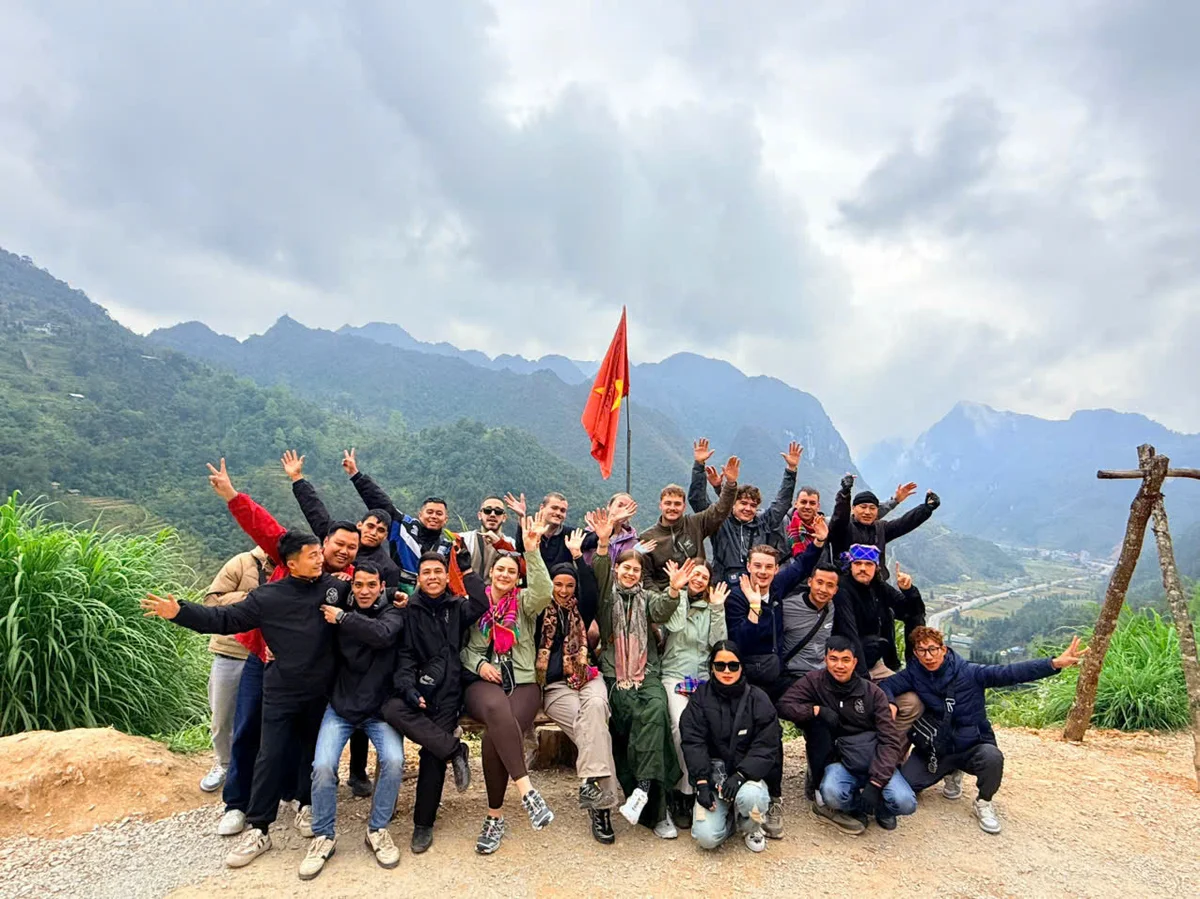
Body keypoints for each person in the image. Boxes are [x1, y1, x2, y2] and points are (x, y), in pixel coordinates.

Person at [140, 529, 350, 871]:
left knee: (311, 752)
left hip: (322, 690)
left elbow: (366, 604)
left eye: (318, 554)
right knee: (270, 754)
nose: (320, 559)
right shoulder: (268, 597)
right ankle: (260, 827)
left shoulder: (333, 588)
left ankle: (306, 804)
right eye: (313, 555)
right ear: (292, 563)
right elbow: (224, 619)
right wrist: (179, 612)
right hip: (281, 690)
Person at [203, 459, 357, 841]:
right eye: (338, 544)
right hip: (263, 659)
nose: (343, 552)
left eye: (351, 548)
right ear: (323, 543)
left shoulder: (344, 581)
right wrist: (231, 495)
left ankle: (300, 800)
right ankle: (237, 804)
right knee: (248, 731)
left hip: (310, 673)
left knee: (304, 737)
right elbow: (261, 522)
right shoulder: (292, 553)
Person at [881, 627, 1087, 835]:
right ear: (915, 653)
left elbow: (1010, 673)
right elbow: (886, 684)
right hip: (937, 749)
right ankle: (950, 772)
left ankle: (984, 801)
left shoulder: (971, 672)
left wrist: (1053, 664)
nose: (928, 656)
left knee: (992, 758)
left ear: (944, 649)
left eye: (933, 649)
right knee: (907, 785)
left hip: (972, 744)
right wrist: (890, 702)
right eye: (922, 651)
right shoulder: (914, 675)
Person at [282, 449, 394, 796]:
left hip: (361, 643)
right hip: (326, 642)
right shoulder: (344, 547)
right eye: (369, 526)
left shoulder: (386, 567)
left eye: (381, 528)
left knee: (361, 710)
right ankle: (303, 781)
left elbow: (389, 599)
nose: (374, 531)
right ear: (360, 527)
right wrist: (298, 480)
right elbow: (317, 515)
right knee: (325, 712)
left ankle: (357, 772)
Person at [301, 563, 406, 880]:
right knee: (322, 766)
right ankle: (323, 836)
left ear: (381, 586)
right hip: (342, 706)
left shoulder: (393, 613)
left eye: (370, 585)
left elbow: (382, 635)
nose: (363, 590)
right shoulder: (337, 609)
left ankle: (377, 829)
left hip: (379, 709)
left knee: (394, 760)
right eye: (358, 584)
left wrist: (343, 617)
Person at [380, 546, 485, 855]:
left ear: (445, 575)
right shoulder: (408, 610)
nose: (433, 576)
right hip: (419, 689)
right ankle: (455, 748)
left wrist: (467, 572)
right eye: (427, 572)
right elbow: (406, 656)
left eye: (438, 571)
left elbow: (480, 602)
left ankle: (423, 823)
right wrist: (409, 689)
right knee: (390, 707)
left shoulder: (456, 607)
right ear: (419, 578)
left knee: (430, 755)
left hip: (448, 692)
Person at [461, 516, 556, 855]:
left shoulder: (524, 603)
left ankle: (495, 816)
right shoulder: (475, 603)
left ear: (517, 579)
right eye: (500, 570)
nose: (504, 575)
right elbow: (463, 649)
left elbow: (545, 591)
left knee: (495, 735)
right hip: (482, 681)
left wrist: (531, 551)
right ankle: (528, 791)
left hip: (523, 683)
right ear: (491, 573)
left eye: (511, 572)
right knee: (499, 713)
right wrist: (480, 663)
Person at [589, 508, 686, 837]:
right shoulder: (606, 601)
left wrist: (673, 589)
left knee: (657, 712)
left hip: (648, 675)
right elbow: (599, 573)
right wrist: (603, 544)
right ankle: (650, 802)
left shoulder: (648, 598)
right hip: (616, 678)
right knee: (633, 725)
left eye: (635, 569)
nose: (630, 573)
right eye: (625, 568)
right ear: (617, 570)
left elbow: (662, 608)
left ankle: (648, 798)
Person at [722, 536, 824, 839]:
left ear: (775, 568)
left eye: (769, 567)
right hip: (747, 678)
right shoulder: (737, 596)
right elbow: (741, 641)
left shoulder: (778, 587)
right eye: (758, 566)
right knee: (768, 730)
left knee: (820, 713)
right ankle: (764, 796)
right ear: (748, 567)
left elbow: (804, 564)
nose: (764, 572)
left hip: (777, 675)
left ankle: (812, 784)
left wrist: (818, 542)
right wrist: (755, 606)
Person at [777, 637, 916, 835]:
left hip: (872, 756)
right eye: (834, 659)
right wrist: (816, 710)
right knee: (832, 794)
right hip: (840, 759)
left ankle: (881, 808)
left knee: (905, 802)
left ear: (855, 662)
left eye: (845, 660)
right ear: (825, 659)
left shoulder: (873, 693)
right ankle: (854, 807)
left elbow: (889, 740)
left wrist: (875, 785)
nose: (839, 665)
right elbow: (784, 706)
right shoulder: (814, 681)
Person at [535, 529, 621, 844]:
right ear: (550, 585)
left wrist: (575, 559)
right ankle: (602, 807)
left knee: (597, 709)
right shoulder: (537, 613)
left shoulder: (580, 610)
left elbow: (591, 588)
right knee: (594, 728)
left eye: (569, 585)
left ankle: (592, 788)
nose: (564, 590)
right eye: (558, 584)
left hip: (587, 676)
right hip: (556, 687)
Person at [680, 641, 781, 853]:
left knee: (752, 798)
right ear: (711, 668)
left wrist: (742, 775)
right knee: (706, 838)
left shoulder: (758, 699)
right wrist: (701, 783)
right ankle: (730, 823)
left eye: (733, 665)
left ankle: (751, 825)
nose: (727, 671)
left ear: (742, 666)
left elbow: (766, 746)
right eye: (720, 665)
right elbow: (693, 741)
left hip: (746, 779)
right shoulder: (700, 698)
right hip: (713, 779)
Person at [659, 560, 729, 834]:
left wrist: (717, 608)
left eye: (704, 576)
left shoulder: (710, 606)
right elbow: (674, 627)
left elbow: (717, 644)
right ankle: (681, 793)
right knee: (680, 726)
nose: (699, 579)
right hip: (674, 674)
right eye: (695, 574)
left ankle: (704, 785)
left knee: (709, 729)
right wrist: (678, 592)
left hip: (703, 678)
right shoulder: (674, 599)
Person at [198, 545, 273, 795]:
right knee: (222, 717)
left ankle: (254, 771)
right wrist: (253, 597)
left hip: (267, 656)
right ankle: (224, 764)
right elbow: (211, 601)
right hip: (230, 651)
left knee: (260, 718)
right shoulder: (240, 563)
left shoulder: (287, 568)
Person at [831, 545, 926, 732]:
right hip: (850, 666)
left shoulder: (878, 587)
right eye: (858, 563)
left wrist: (909, 590)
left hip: (876, 664)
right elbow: (849, 634)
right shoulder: (843, 589)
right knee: (865, 708)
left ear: (876, 567)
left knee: (913, 703)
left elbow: (911, 612)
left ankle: (890, 753)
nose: (863, 568)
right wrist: (863, 683)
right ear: (851, 565)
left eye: (868, 564)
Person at [342, 448, 456, 593]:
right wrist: (356, 475)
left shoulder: (447, 547)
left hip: (431, 600)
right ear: (420, 515)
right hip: (398, 593)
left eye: (439, 513)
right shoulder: (404, 527)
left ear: (445, 519)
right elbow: (381, 502)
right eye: (430, 512)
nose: (433, 516)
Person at [689, 438, 801, 584]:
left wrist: (791, 470)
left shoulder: (763, 523)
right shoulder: (720, 522)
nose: (748, 508)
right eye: (743, 503)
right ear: (733, 504)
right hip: (723, 584)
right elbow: (697, 500)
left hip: (756, 583)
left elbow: (782, 503)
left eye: (753, 505)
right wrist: (699, 466)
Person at [639, 456, 740, 590]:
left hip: (696, 592)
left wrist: (730, 484)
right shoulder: (647, 537)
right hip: (666, 596)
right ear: (660, 506)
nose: (672, 508)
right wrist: (660, 600)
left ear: (684, 507)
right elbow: (646, 576)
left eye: (677, 504)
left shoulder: (695, 523)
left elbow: (721, 510)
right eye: (668, 503)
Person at [828, 474, 934, 578]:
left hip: (876, 584)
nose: (867, 512)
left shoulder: (881, 528)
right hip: (846, 584)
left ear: (877, 511)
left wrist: (927, 508)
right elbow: (840, 515)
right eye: (863, 507)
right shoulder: (843, 528)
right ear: (853, 508)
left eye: (872, 508)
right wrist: (845, 493)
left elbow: (905, 523)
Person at [505, 491, 603, 570]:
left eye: (562, 510)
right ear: (542, 508)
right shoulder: (531, 533)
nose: (558, 513)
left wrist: (605, 530)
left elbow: (594, 539)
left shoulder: (570, 535)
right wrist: (521, 517)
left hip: (562, 591)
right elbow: (520, 553)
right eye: (554, 508)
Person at [459, 496, 520, 582]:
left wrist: (499, 543)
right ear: (480, 515)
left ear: (504, 518)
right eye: (487, 510)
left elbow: (521, 569)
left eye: (498, 512)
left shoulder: (511, 543)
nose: (492, 514)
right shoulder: (465, 539)